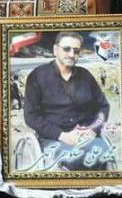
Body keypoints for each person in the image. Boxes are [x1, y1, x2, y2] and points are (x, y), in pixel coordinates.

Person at [23, 32, 111, 170]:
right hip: (54, 138)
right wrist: (61, 135)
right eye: (66, 49)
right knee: (75, 158)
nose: (71, 54)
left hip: (86, 136)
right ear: (55, 49)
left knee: (104, 152)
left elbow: (103, 106)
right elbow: (31, 116)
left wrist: (93, 130)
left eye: (76, 51)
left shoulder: (86, 76)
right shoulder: (37, 76)